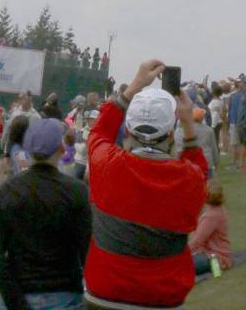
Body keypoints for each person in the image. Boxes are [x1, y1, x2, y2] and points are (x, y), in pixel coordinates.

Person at [84, 58, 208, 308]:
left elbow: (98, 132)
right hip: (162, 299)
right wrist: (188, 125)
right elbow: (200, 173)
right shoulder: (188, 178)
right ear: (171, 134)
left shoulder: (106, 164)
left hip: (104, 296)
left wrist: (134, 87)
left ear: (128, 131)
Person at [0, 117, 91, 310]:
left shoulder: (6, 191)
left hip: (19, 292)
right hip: (65, 295)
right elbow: (87, 251)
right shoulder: (76, 191)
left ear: (27, 149)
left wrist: (16, 303)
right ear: (61, 149)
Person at [189, 179, 233, 275]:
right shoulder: (218, 210)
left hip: (216, 258)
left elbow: (196, 241)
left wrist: (178, 256)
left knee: (180, 266)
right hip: (216, 255)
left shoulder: (211, 217)